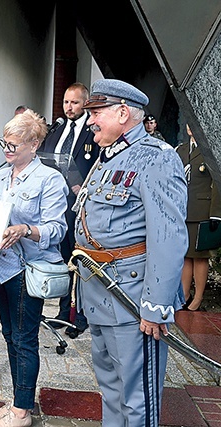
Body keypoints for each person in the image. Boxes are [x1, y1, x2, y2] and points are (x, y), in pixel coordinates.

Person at [74, 79, 187, 426]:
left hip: (132, 300)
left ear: (123, 113)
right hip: (99, 292)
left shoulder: (157, 158)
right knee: (111, 390)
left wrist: (154, 308)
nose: (89, 120)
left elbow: (168, 238)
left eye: (96, 113)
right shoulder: (107, 158)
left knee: (138, 400)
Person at [0, 109, 68, 427]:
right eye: (4, 143)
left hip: (27, 268)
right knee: (9, 335)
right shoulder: (0, 175)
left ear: (33, 145)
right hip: (0, 267)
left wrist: (24, 230)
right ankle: (18, 401)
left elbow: (57, 230)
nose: (7, 150)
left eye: (13, 145)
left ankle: (22, 413)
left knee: (24, 338)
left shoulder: (49, 179)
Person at [39, 82, 97, 337]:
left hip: (79, 206)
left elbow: (98, 164)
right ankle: (63, 313)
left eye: (74, 102)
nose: (69, 107)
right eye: (65, 102)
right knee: (62, 260)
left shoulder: (93, 129)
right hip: (55, 203)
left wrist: (81, 185)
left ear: (85, 102)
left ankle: (81, 316)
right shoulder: (56, 130)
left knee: (81, 261)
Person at [176, 124, 221, 311]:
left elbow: (217, 183)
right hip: (182, 210)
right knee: (185, 255)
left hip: (201, 210)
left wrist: (216, 214)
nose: (191, 128)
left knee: (200, 257)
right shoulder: (181, 149)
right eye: (188, 125)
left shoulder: (210, 150)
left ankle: (199, 297)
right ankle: (185, 294)